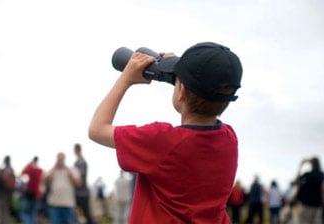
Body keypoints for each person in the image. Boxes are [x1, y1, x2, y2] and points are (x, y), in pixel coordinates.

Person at [88, 42, 243, 223]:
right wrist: (184, 76)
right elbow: (204, 99)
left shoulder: (161, 141)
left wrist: (126, 79)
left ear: (182, 91)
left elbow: (97, 129)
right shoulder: (229, 140)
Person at [46, 152, 81, 224]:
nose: (60, 161)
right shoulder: (52, 170)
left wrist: (68, 171)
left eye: (61, 159)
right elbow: (45, 180)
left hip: (68, 204)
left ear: (64, 159)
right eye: (59, 159)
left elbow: (78, 184)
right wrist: (54, 168)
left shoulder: (72, 169)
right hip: (54, 204)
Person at [296, 157, 324, 223]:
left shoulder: (307, 175)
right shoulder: (322, 175)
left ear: (311, 164)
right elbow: (323, 189)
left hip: (306, 204)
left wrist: (301, 165)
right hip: (318, 204)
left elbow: (296, 181)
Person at [73, 143, 96, 224]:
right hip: (78, 193)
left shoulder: (82, 162)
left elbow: (80, 178)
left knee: (87, 215)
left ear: (76, 151)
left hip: (83, 193)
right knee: (78, 215)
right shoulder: (77, 162)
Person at [19, 156, 44, 224]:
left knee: (25, 212)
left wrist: (28, 164)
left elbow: (21, 173)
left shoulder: (29, 169)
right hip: (37, 194)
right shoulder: (40, 170)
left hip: (29, 194)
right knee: (33, 213)